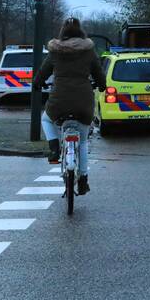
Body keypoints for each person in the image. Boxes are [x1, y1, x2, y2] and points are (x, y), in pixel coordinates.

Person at [33, 17, 106, 195]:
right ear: (81, 31)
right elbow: (98, 72)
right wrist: (102, 85)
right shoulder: (89, 50)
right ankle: (83, 179)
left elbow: (44, 71)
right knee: (81, 142)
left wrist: (37, 83)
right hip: (83, 101)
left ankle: (54, 147)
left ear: (63, 32)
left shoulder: (56, 51)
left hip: (59, 100)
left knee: (47, 119)